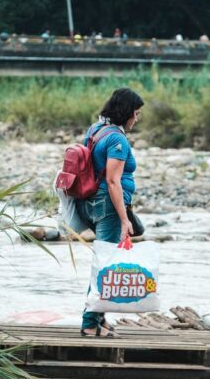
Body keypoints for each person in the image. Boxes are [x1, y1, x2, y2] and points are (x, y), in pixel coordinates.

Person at [79, 88, 144, 338]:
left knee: (104, 259)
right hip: (108, 206)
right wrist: (125, 219)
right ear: (126, 112)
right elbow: (113, 181)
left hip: (92, 202)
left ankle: (101, 319)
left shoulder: (95, 129)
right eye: (136, 114)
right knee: (104, 264)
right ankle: (89, 323)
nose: (136, 119)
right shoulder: (117, 139)